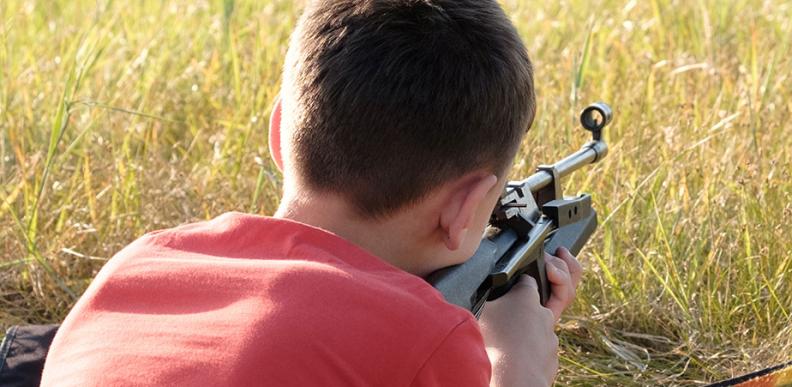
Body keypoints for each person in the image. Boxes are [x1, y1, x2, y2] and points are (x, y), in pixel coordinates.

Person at [40, 0, 583, 386]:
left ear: (278, 132)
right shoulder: (426, 338)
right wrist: (517, 364)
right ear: (466, 209)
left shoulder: (138, 264)